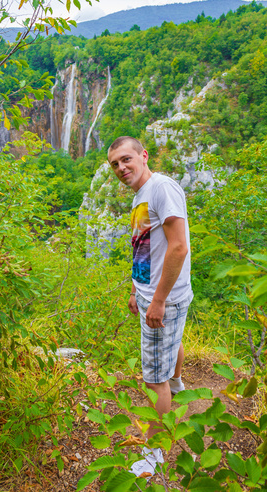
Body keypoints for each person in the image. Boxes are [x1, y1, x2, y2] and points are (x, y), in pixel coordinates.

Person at [107, 136, 193, 477]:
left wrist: (156, 302)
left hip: (163, 299)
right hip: (150, 294)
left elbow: (178, 248)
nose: (121, 168)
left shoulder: (161, 188)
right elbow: (143, 245)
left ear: (144, 156)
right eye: (114, 164)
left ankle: (154, 454)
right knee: (174, 343)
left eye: (126, 159)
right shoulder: (141, 195)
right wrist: (135, 290)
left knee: (152, 381)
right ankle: (178, 386)